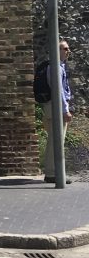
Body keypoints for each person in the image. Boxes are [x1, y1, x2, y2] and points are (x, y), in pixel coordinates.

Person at [44, 39, 74, 184]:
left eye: (68, 48)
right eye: (64, 48)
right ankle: (53, 173)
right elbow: (59, 91)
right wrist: (65, 110)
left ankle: (53, 172)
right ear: (57, 50)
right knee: (56, 141)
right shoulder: (56, 67)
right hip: (55, 107)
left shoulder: (59, 66)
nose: (68, 51)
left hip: (54, 106)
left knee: (55, 140)